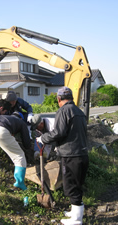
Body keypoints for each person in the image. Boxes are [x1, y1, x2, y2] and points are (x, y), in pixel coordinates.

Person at [36, 86, 89, 225]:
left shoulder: (63, 111)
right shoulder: (79, 111)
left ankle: (77, 220)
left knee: (71, 185)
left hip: (71, 154)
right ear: (71, 97)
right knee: (77, 184)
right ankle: (74, 212)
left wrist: (43, 138)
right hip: (82, 153)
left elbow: (59, 132)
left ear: (59, 99)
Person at [0, 112, 33, 190]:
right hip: (0, 131)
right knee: (19, 156)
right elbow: (26, 142)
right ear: (21, 118)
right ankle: (19, 182)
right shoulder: (21, 122)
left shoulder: (5, 117)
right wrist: (28, 148)